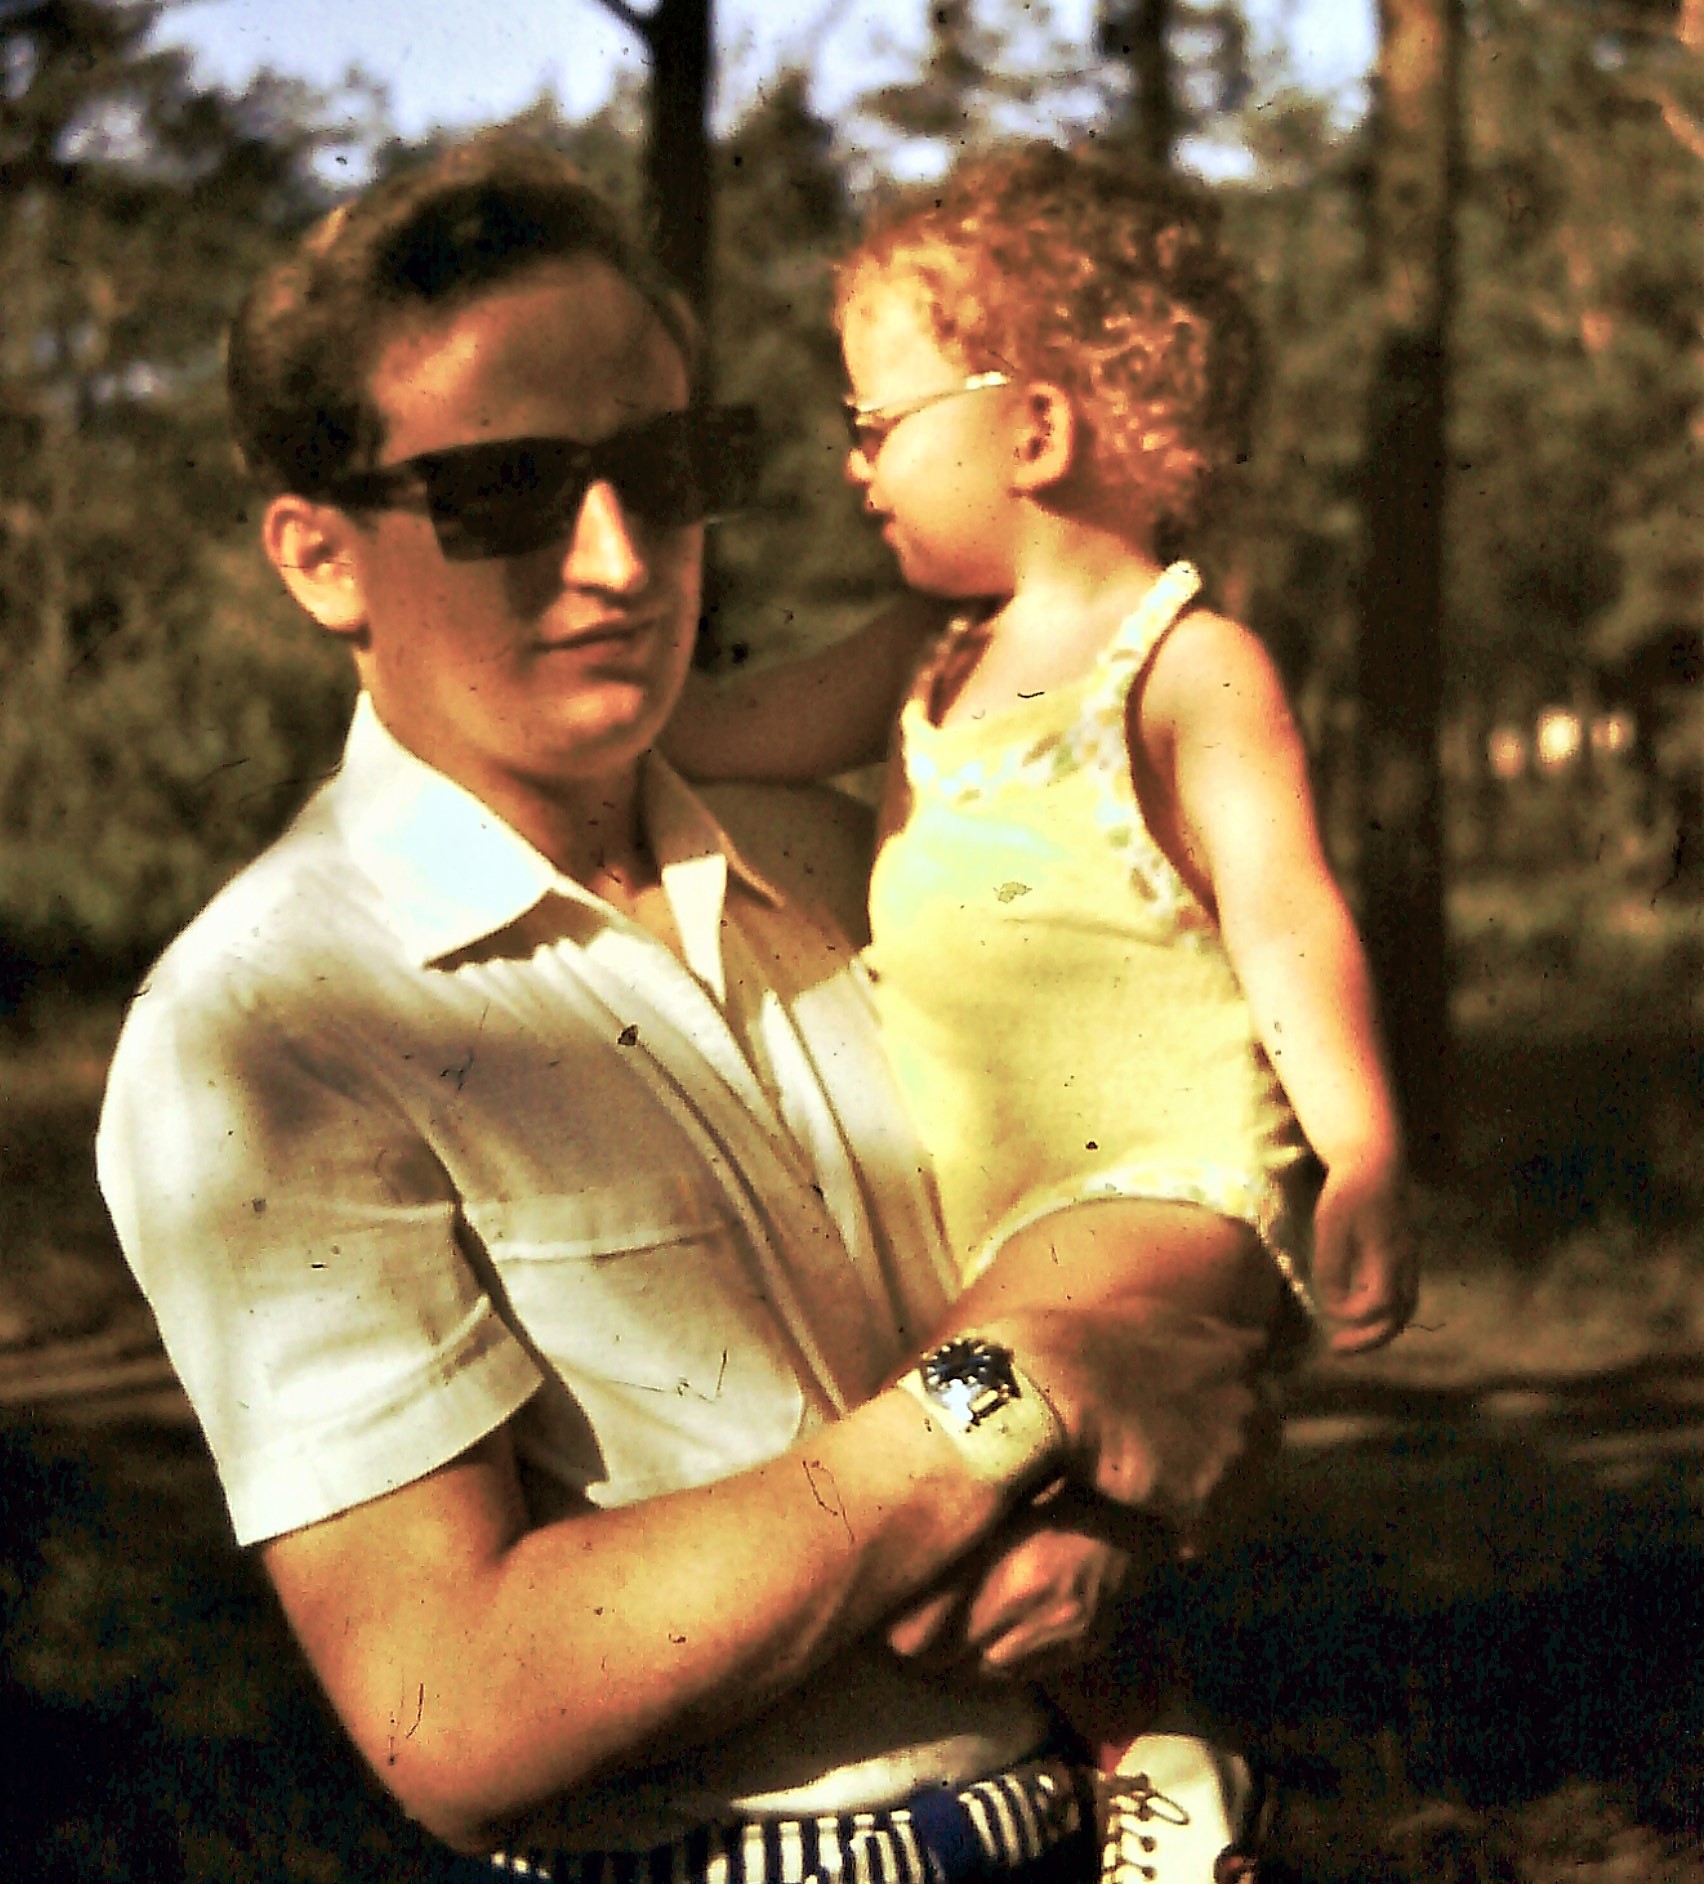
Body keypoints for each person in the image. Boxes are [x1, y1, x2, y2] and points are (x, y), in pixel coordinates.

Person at [96, 137, 1265, 1884]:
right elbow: (452, 1711)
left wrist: (1143, 1466)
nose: (622, 558)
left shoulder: (871, 853)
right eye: (506, 492)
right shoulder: (266, 1029)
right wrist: (1007, 1397)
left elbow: (1179, 1201)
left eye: (664, 471)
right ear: (319, 557)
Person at [665, 144, 1419, 1875]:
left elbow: (1287, 917)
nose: (855, 464)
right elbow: (716, 734)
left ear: (1035, 431)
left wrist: (1367, 1149)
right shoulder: (919, 659)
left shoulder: (1184, 667)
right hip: (998, 1231)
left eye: (877, 422)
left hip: (1163, 1192)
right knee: (943, 1578)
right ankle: (1159, 1752)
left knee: (921, 1467)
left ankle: (1151, 1646)